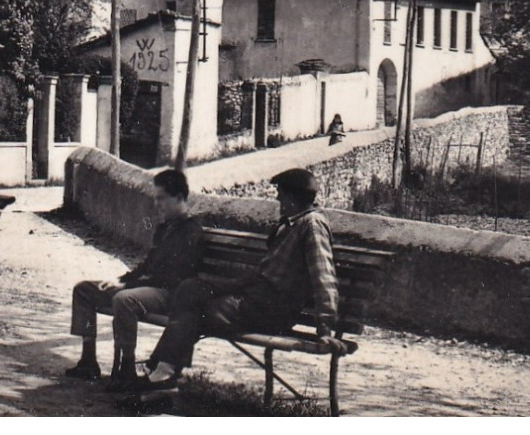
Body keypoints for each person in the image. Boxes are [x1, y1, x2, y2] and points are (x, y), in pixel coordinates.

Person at [128, 167, 338, 391]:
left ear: (292, 197)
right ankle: (164, 370)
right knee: (190, 288)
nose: (277, 198)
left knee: (196, 309)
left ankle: (163, 371)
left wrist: (325, 329)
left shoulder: (312, 225)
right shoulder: (293, 223)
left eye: (281, 194)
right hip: (256, 298)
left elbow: (323, 275)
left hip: (273, 309)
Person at [66, 168, 203, 387]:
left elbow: (170, 276)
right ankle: (88, 361)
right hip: (146, 287)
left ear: (179, 198)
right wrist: (122, 279)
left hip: (168, 293)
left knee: (125, 300)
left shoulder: (191, 231)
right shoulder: (166, 227)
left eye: (162, 199)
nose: (157, 204)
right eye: (156, 198)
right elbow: (148, 263)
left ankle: (126, 368)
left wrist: (129, 285)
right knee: (84, 290)